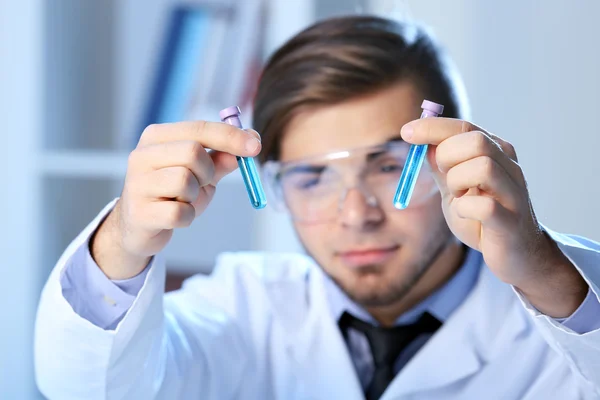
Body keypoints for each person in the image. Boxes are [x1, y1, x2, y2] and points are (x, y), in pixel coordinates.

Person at [34, 15, 600, 400]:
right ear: (269, 183)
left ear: (452, 160)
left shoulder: (555, 312)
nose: (355, 214)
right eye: (311, 177)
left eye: (386, 165)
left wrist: (546, 270)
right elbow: (92, 386)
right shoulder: (244, 308)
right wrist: (125, 239)